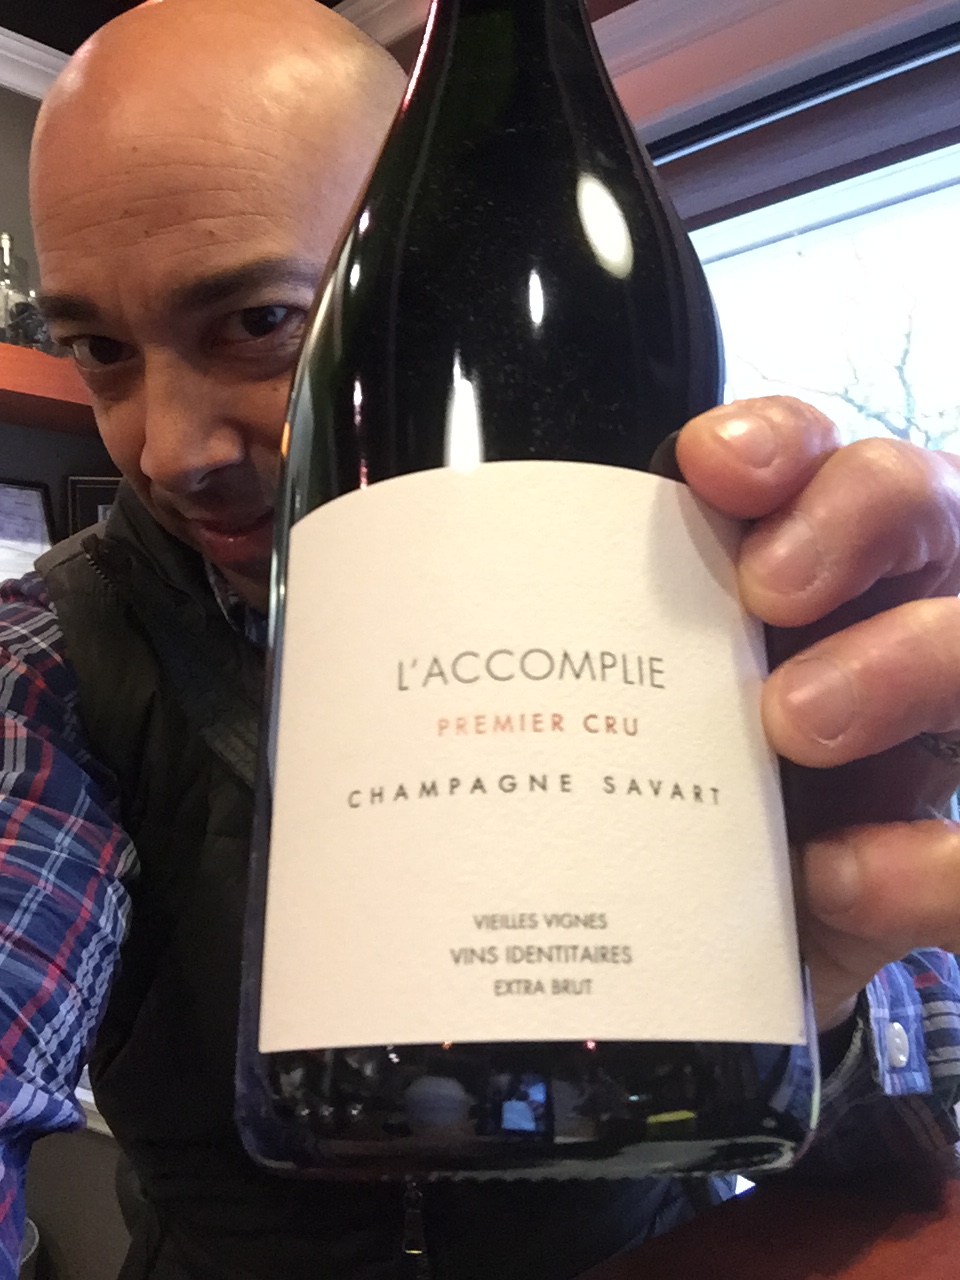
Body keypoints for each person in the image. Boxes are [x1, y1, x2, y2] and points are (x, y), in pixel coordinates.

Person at [3, 0, 960, 1275]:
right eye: (98, 349)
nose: (168, 450)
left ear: (433, 273)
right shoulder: (46, 661)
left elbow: (931, 1130)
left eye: (260, 321)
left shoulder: (704, 596)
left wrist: (823, 974)